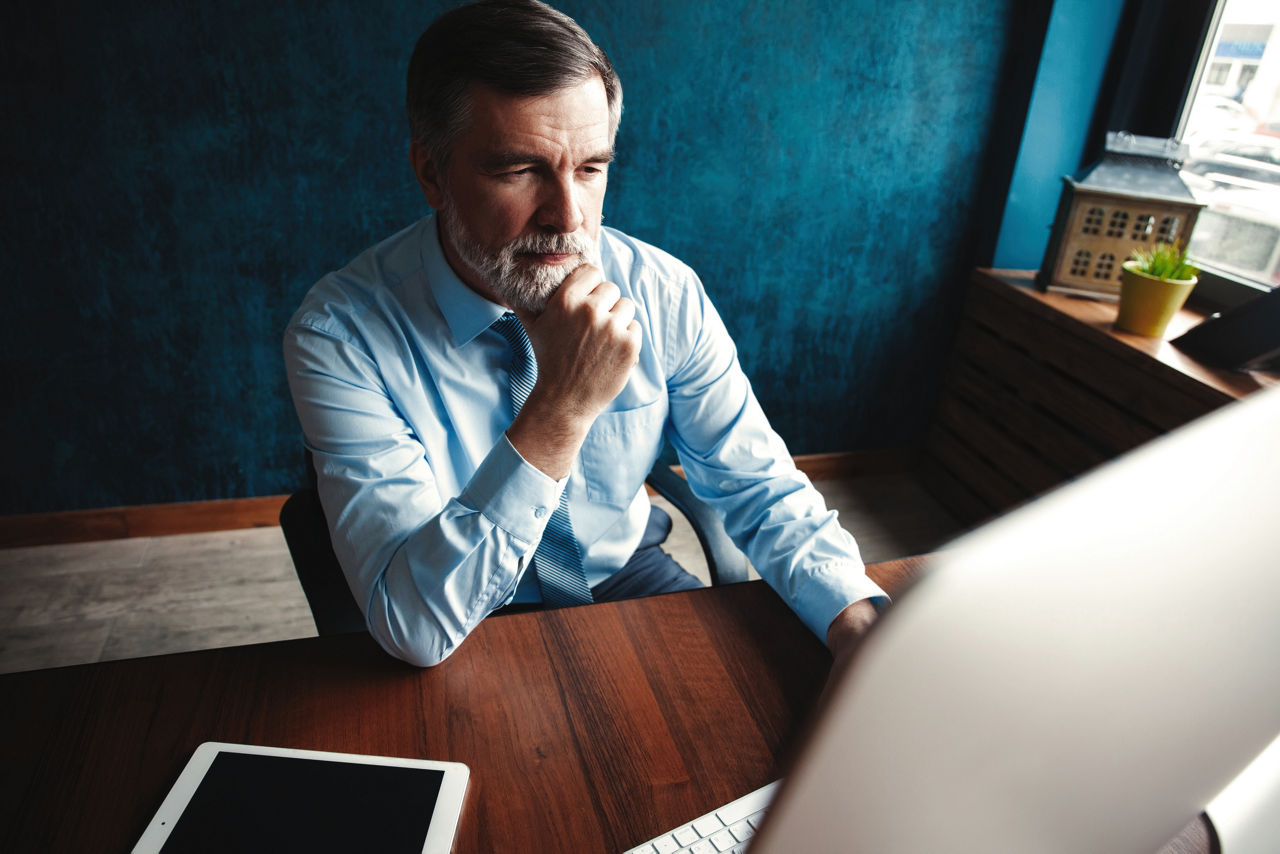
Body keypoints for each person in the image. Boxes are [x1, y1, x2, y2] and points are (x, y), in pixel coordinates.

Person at [283, 0, 886, 669]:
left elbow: (757, 485)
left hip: (625, 578)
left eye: (591, 167)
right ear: (431, 172)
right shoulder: (338, 337)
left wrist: (853, 615)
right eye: (520, 169)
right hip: (462, 614)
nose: (568, 216)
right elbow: (416, 626)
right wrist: (562, 408)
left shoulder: (662, 291)